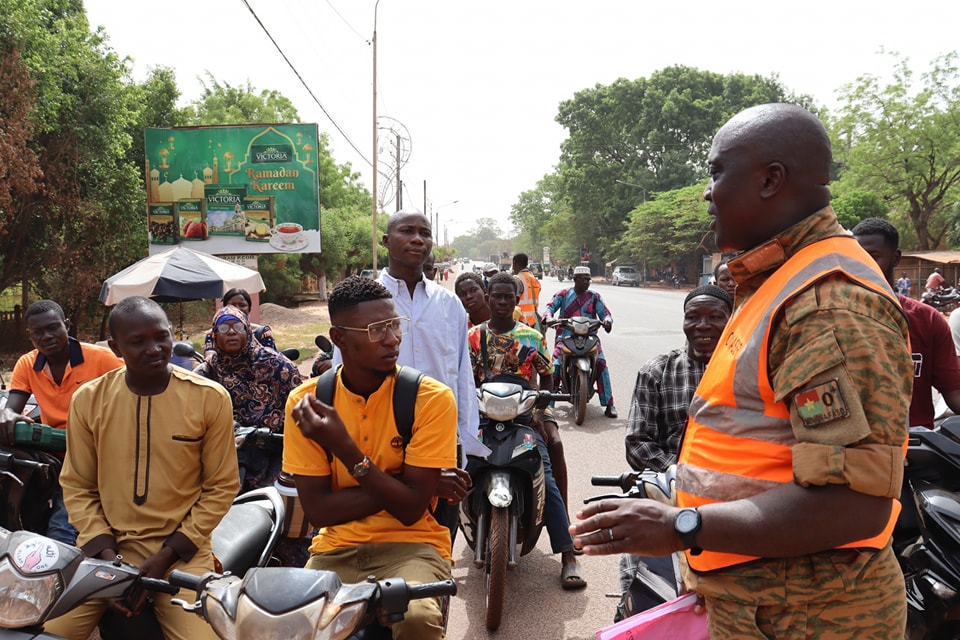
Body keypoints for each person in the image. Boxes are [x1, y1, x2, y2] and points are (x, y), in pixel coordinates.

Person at [570, 104, 913, 639]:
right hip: (764, 604)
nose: (707, 192)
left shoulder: (826, 304)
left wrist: (683, 525)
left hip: (809, 616)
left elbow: (854, 505)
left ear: (771, 179)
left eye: (715, 171)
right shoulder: (776, 280)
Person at [44, 297, 238, 640]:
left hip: (181, 558)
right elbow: (77, 485)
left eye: (161, 336)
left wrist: (166, 557)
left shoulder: (210, 398)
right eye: (138, 342)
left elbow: (221, 487)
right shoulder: (89, 399)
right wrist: (108, 559)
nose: (154, 348)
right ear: (116, 347)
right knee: (43, 632)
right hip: (104, 554)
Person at [283, 276, 457, 640]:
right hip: (334, 549)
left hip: (413, 547)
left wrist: (345, 449)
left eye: (395, 325)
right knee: (290, 626)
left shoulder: (431, 399)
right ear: (339, 338)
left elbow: (410, 511)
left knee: (416, 619)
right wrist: (404, 486)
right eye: (377, 330)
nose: (393, 338)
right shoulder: (308, 402)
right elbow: (319, 511)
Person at [618, 284, 731, 619]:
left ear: (733, 318)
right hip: (669, 493)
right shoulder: (658, 370)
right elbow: (637, 443)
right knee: (640, 580)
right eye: (693, 317)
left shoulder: (750, 371)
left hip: (738, 497)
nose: (703, 326)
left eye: (715, 317)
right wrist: (685, 479)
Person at [468, 272, 585, 589]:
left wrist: (539, 409)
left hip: (525, 411)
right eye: (497, 296)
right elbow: (465, 379)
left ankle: (567, 553)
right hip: (483, 413)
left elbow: (546, 375)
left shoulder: (531, 337)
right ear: (489, 297)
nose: (503, 301)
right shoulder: (474, 337)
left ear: (516, 299)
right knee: (458, 467)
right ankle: (440, 548)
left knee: (545, 471)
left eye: (509, 297)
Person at [0, 300, 123, 545]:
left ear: (66, 326)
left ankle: (59, 554)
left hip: (96, 455)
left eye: (53, 328)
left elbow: (132, 399)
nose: (46, 336)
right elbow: (12, 408)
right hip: (53, 452)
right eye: (38, 332)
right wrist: (8, 416)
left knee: (63, 527)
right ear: (30, 335)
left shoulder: (102, 359)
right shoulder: (27, 363)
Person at [852, 217, 960, 428]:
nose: (863, 264)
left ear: (896, 258)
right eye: (857, 257)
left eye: (873, 256)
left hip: (915, 445)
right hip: (858, 453)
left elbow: (954, 393)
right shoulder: (836, 316)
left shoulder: (928, 319)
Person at [193, 305, 303, 491]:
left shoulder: (277, 365)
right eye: (223, 328)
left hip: (276, 452)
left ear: (247, 330)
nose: (231, 333)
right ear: (215, 335)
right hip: (225, 458)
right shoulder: (207, 373)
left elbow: (301, 408)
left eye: (237, 327)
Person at [543, 265, 618, 418]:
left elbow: (605, 313)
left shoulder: (594, 297)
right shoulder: (563, 294)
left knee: (601, 364)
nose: (587, 282)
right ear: (575, 279)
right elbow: (549, 307)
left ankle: (609, 404)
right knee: (554, 367)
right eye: (584, 279)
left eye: (588, 280)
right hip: (565, 337)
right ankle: (547, 406)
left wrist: (607, 321)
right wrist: (549, 318)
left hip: (590, 338)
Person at [202, 288, 276, 354]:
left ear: (249, 308)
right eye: (232, 305)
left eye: (242, 305)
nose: (237, 308)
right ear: (224, 309)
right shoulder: (212, 334)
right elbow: (209, 358)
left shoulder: (263, 332)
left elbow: (270, 356)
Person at [512, 252, 542, 331]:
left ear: (515, 263)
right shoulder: (534, 279)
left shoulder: (517, 279)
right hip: (532, 320)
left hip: (520, 320)